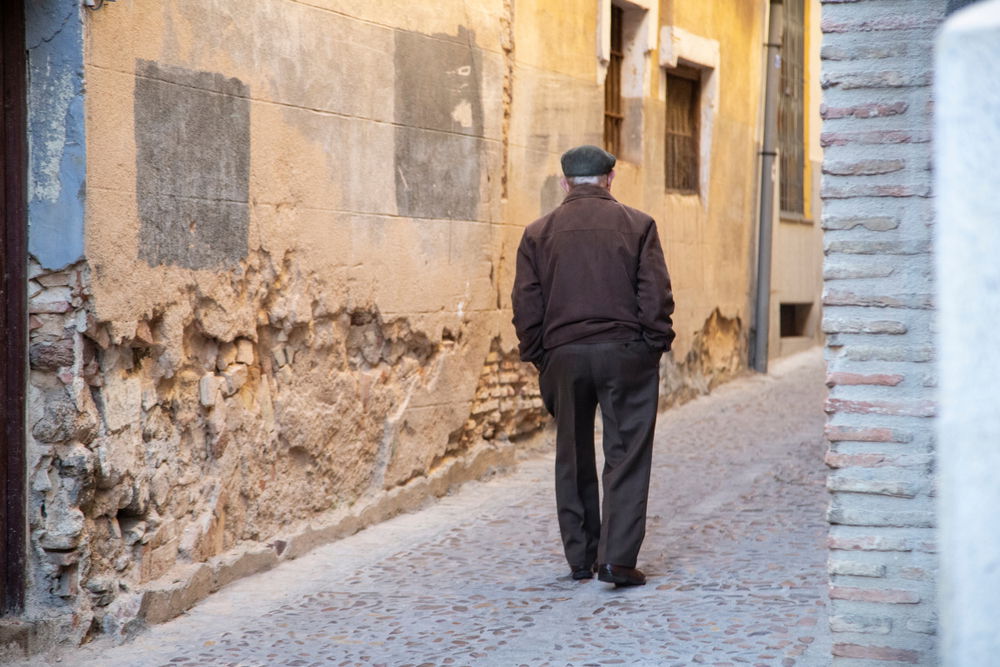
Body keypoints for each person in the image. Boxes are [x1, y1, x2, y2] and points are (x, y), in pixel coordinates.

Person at [511, 145, 675, 587]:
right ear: (610, 178)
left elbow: (526, 305)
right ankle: (617, 560)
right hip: (626, 354)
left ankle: (582, 559)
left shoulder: (536, 233)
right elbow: (655, 295)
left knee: (572, 454)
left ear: (564, 182)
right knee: (626, 455)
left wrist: (541, 356)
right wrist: (652, 345)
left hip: (563, 355)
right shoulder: (639, 225)